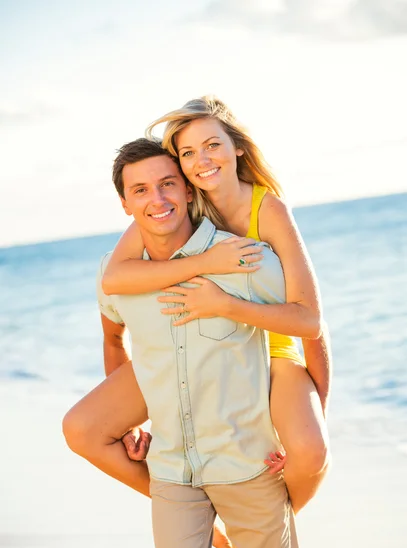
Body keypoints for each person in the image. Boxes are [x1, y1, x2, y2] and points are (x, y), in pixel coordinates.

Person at [101, 96, 332, 514]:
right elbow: (115, 278)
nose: (202, 159)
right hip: (204, 351)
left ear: (237, 147)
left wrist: (318, 407)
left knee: (310, 453)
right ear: (181, 169)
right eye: (188, 153)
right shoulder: (180, 204)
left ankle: (269, 532)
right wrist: (209, 264)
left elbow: (312, 320)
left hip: (270, 348)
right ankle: (199, 515)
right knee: (86, 429)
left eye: (212, 145)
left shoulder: (269, 210)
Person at [96, 137, 300, 548]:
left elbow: (307, 323)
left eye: (168, 184)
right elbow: (112, 337)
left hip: (249, 465)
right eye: (141, 190)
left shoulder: (243, 259)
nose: (158, 199)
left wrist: (309, 422)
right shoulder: (115, 273)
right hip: (171, 470)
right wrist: (130, 422)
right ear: (125, 203)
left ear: (189, 190)